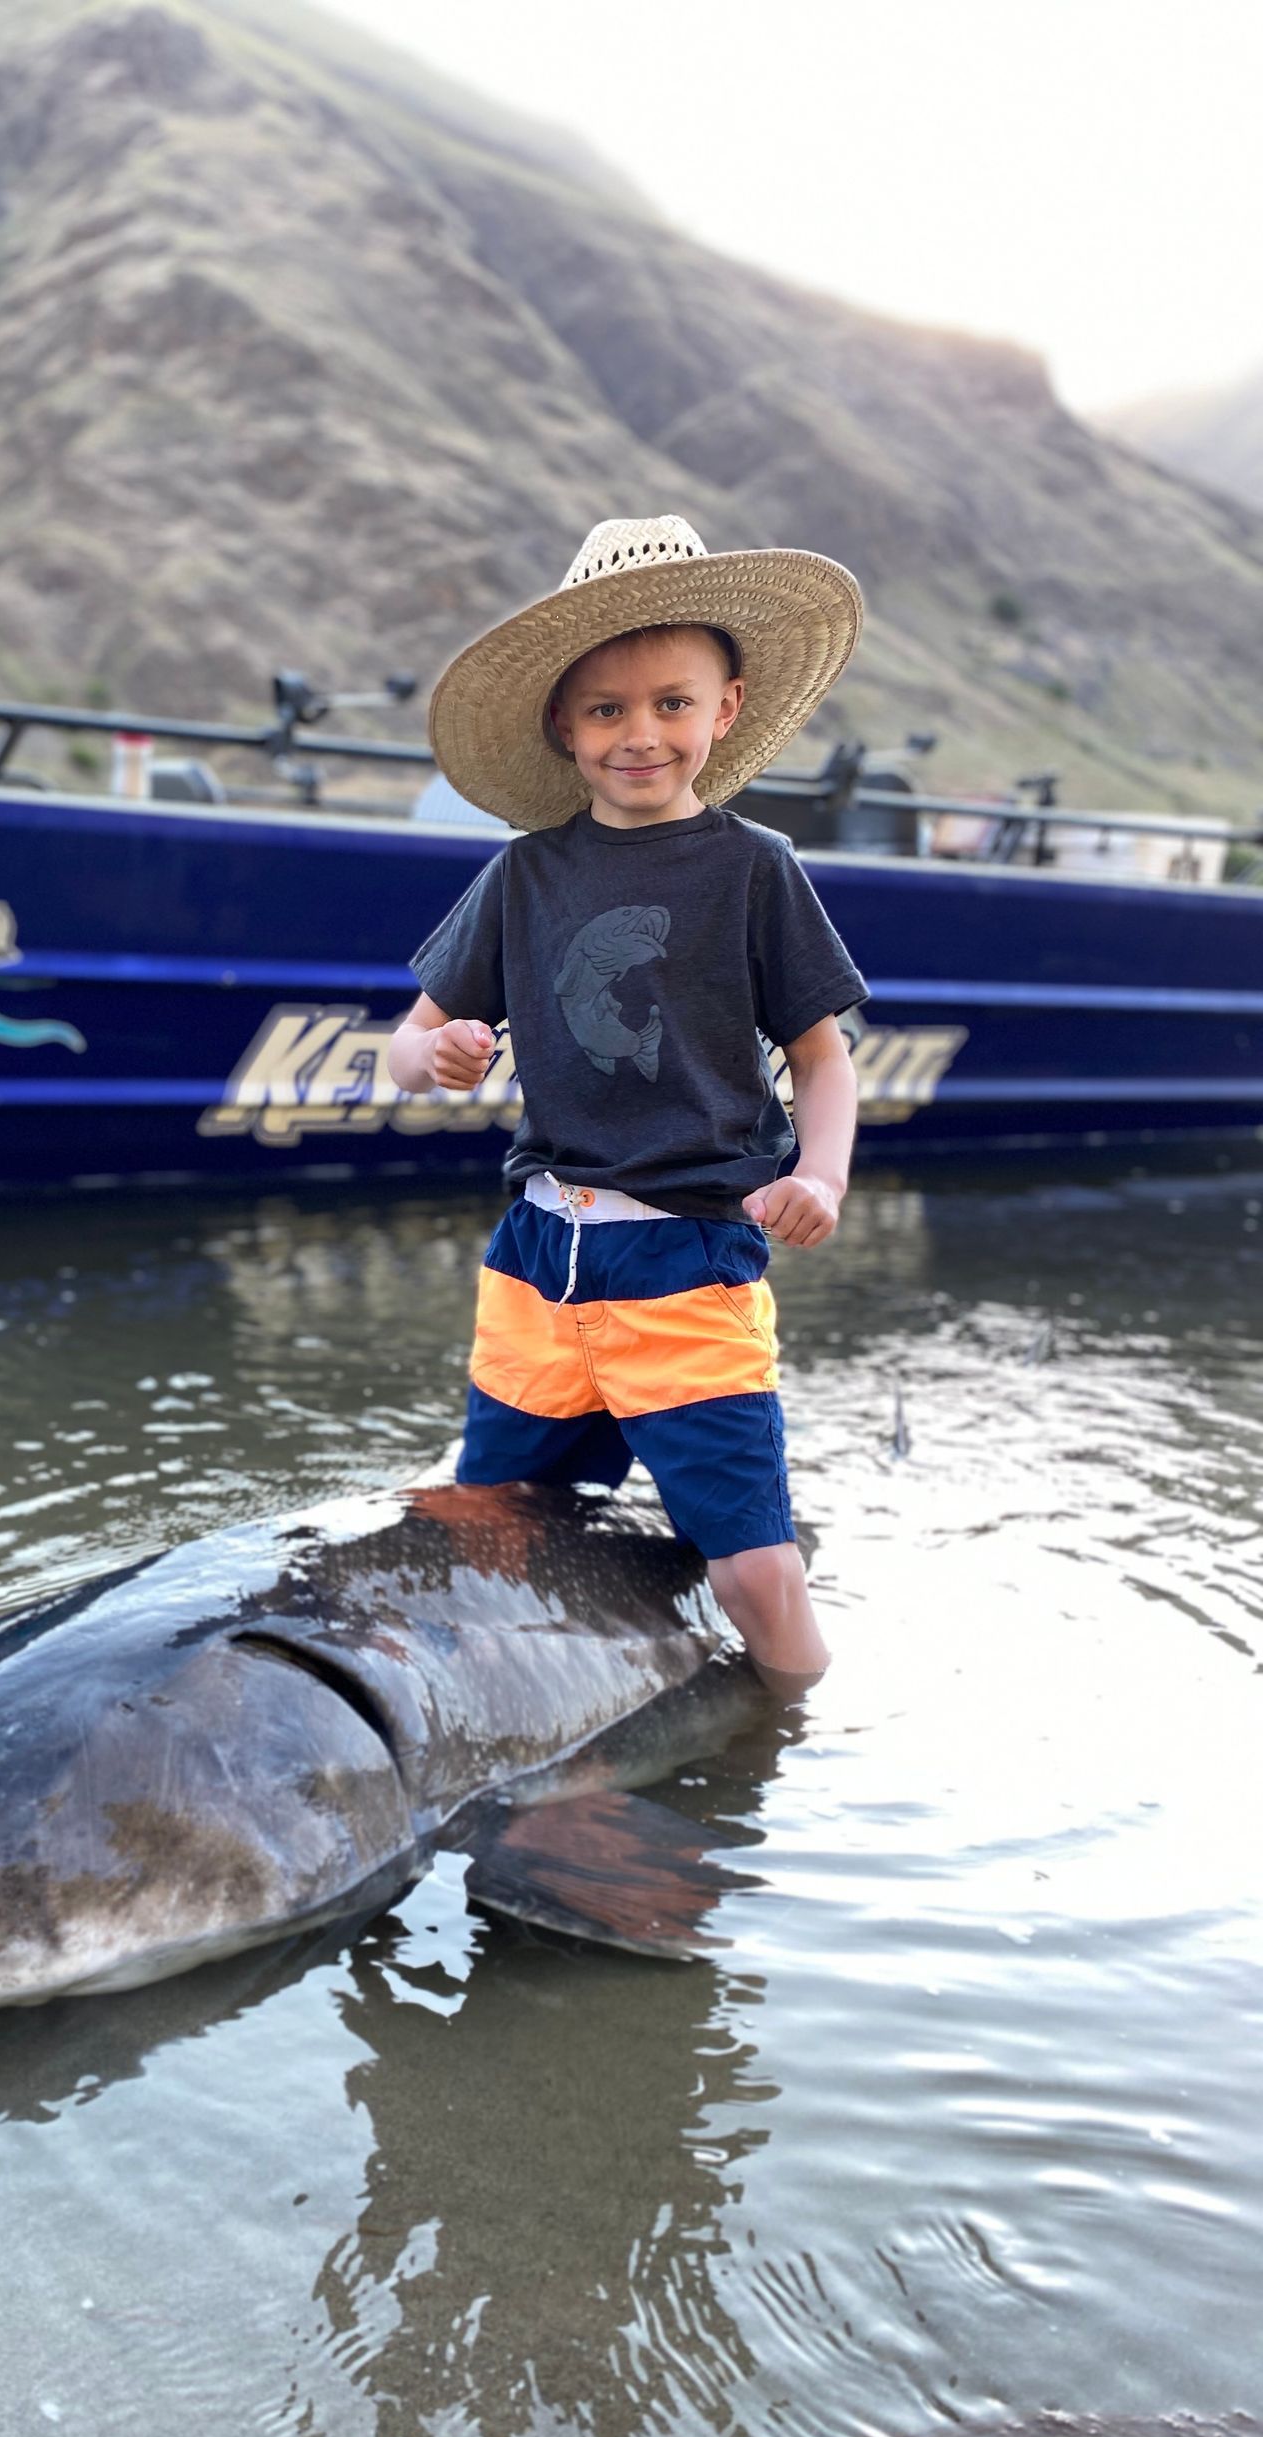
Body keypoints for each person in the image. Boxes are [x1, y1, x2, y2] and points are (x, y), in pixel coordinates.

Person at [387, 513, 867, 1695]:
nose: (639, 733)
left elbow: (824, 1056)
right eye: (606, 710)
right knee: (488, 1532)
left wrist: (820, 1177)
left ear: (728, 706)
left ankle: (792, 1742)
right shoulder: (524, 870)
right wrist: (436, 1051)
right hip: (538, 1257)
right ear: (563, 724)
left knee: (756, 1572)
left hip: (690, 1261)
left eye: (670, 702)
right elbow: (402, 1045)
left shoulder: (757, 868)